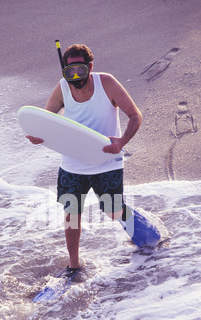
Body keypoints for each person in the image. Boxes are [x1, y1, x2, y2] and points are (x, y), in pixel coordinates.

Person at [27, 44, 143, 271]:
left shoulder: (106, 83)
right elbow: (46, 120)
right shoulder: (62, 88)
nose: (75, 77)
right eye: (69, 72)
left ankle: (142, 231)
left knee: (113, 210)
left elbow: (135, 115)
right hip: (73, 163)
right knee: (71, 213)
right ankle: (74, 265)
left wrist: (121, 142)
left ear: (89, 66)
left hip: (106, 160)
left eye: (80, 70)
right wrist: (38, 135)